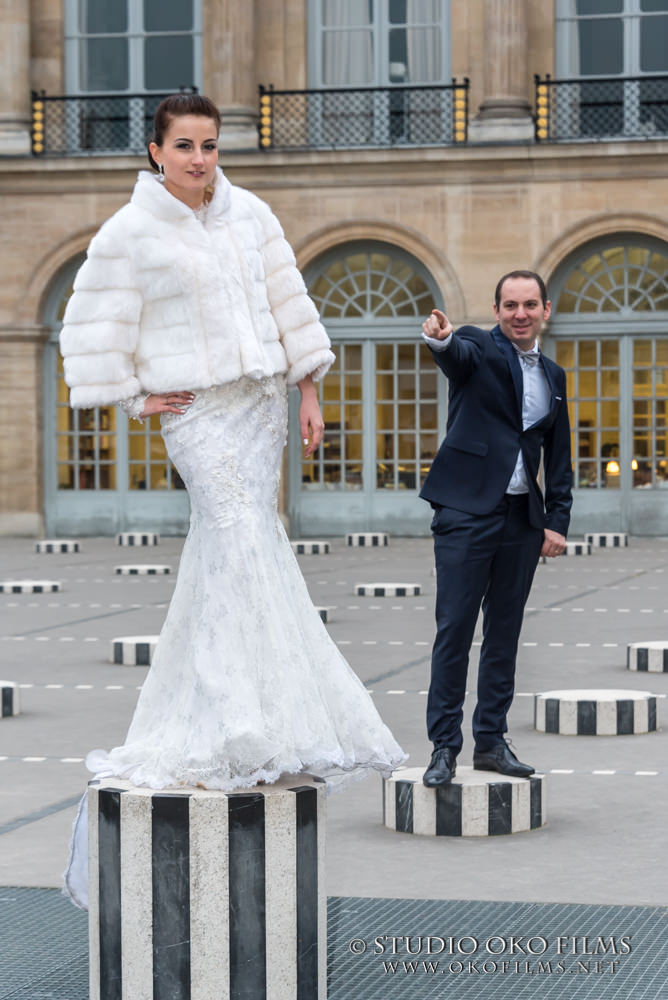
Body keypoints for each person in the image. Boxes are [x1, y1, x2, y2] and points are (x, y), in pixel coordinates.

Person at [60, 94, 406, 906]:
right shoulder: (130, 232)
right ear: (154, 151)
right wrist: (132, 397)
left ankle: (257, 719)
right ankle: (239, 724)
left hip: (259, 408)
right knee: (237, 534)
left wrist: (309, 390)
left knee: (250, 544)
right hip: (200, 414)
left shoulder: (251, 212)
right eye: (184, 146)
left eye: (210, 145)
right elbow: (91, 328)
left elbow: (290, 303)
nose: (200, 160)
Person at [419, 271, 572, 787]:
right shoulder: (477, 347)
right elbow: (453, 355)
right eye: (511, 305)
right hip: (465, 511)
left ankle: (491, 742)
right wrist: (440, 338)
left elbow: (560, 456)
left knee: (504, 634)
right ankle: (443, 746)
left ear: (545, 310)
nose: (520, 314)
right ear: (497, 309)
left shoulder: (554, 375)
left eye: (530, 305)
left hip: (521, 521)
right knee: (455, 631)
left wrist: (557, 521)